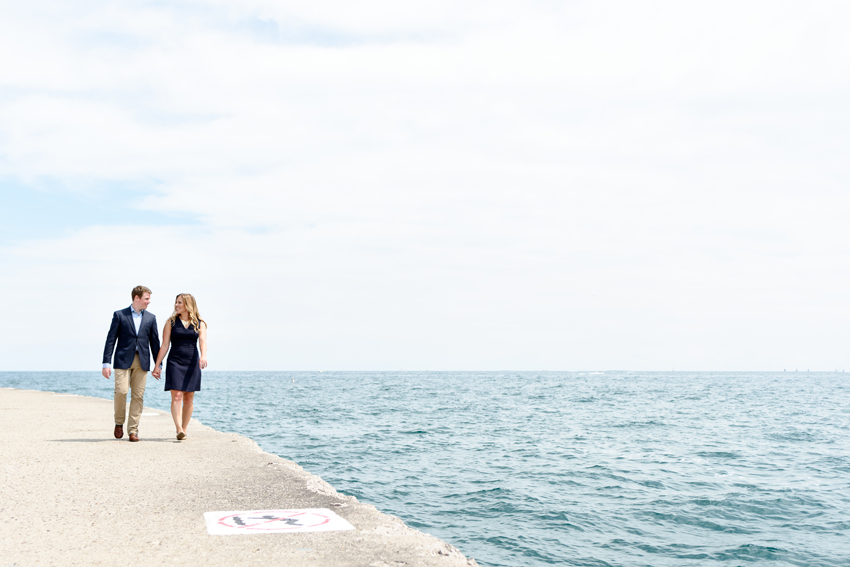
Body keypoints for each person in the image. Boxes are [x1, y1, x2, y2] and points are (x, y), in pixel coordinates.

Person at [102, 285, 161, 442]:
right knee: (121, 391)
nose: (149, 302)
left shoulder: (151, 318)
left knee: (138, 396)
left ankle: (133, 430)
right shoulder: (119, 315)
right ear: (137, 298)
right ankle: (119, 423)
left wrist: (158, 365)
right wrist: (106, 363)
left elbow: (155, 343)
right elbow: (110, 339)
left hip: (142, 361)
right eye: (146, 299)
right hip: (122, 359)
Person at [152, 293, 207, 440]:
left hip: (192, 362)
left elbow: (202, 342)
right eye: (176, 302)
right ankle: (178, 429)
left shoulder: (200, 323)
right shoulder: (170, 322)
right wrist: (157, 365)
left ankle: (184, 429)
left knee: (189, 398)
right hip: (174, 362)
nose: (176, 305)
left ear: (188, 305)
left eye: (180, 303)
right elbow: (164, 345)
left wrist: (203, 356)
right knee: (176, 396)